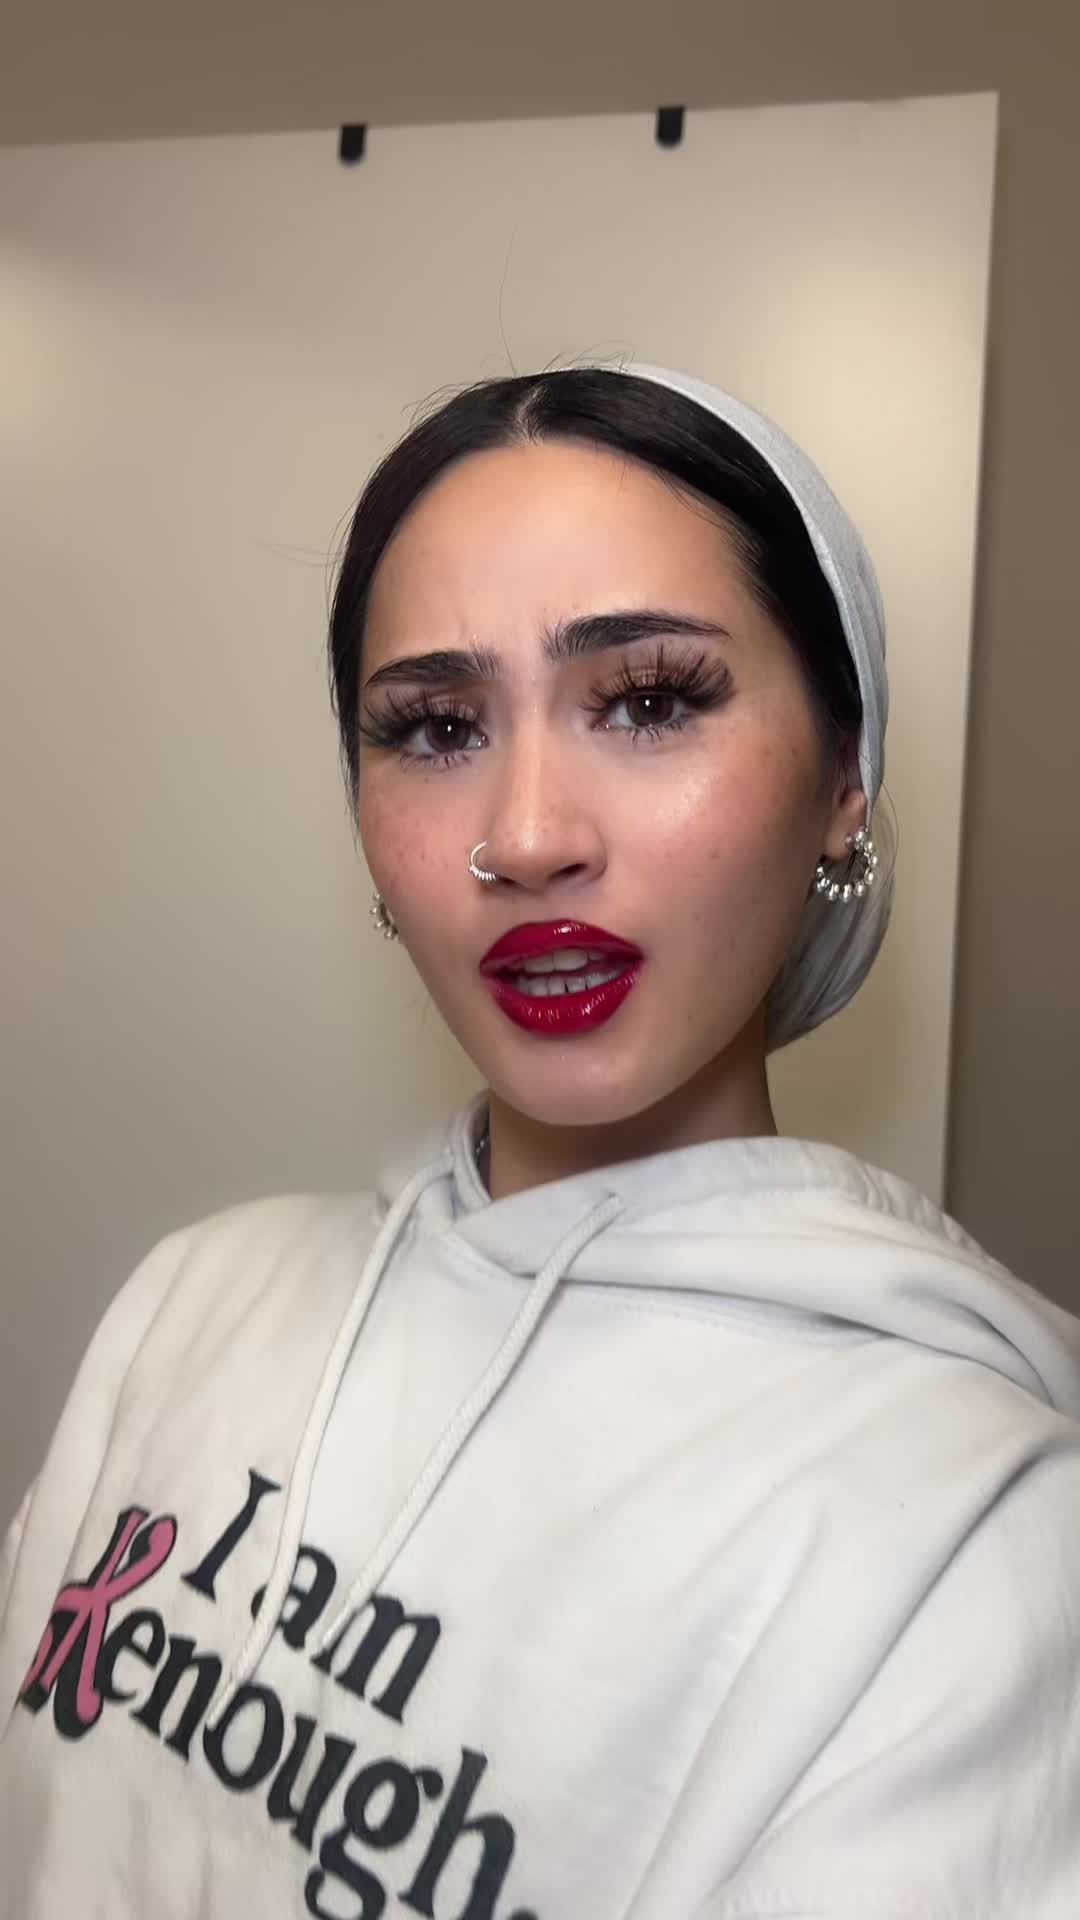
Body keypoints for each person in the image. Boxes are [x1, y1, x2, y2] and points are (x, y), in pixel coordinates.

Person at [2, 361, 1078, 1919]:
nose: (525, 836)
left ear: (847, 778)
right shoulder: (193, 1299)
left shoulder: (977, 1537)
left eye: (650, 701)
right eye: (437, 728)